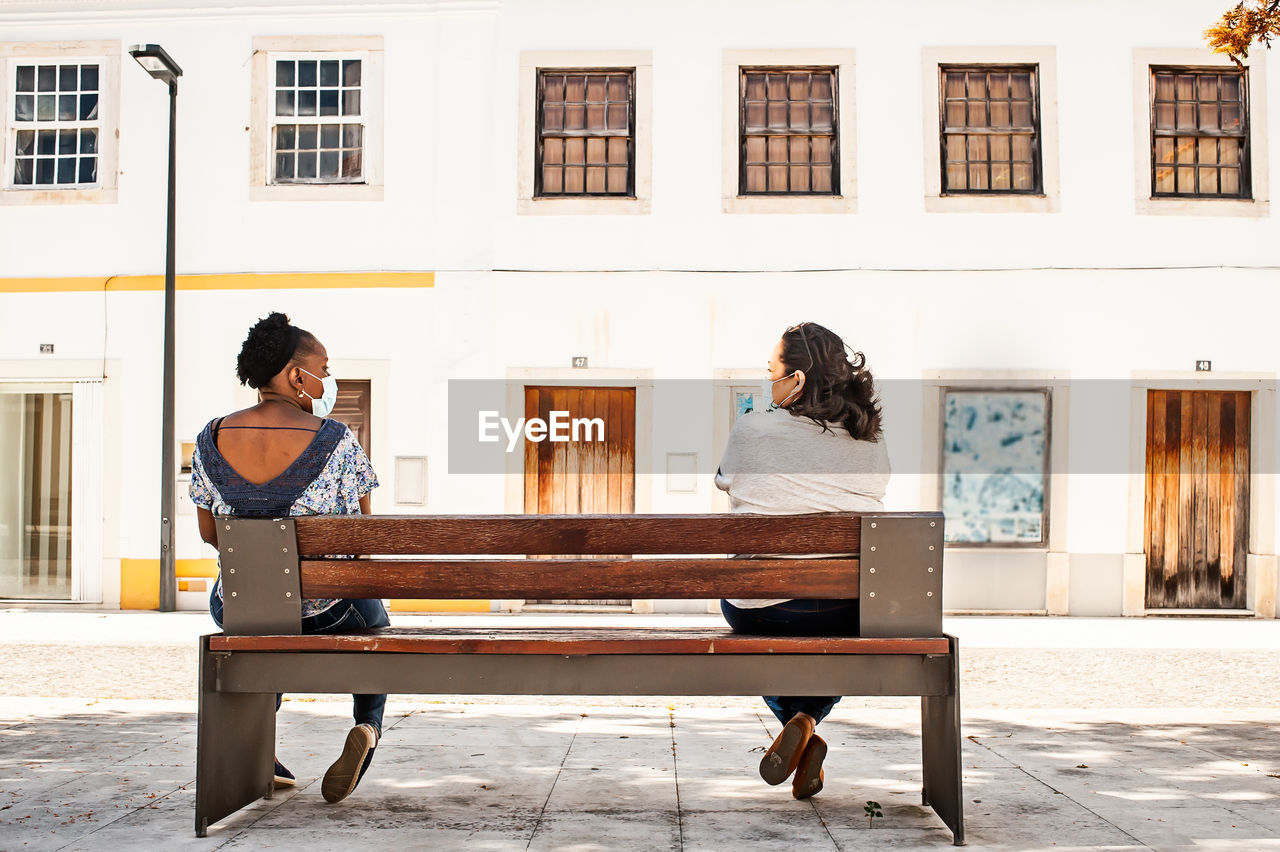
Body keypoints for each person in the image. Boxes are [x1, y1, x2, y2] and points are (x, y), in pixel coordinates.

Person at [189, 311, 387, 804]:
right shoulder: (336, 440)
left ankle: (260, 748)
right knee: (375, 618)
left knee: (267, 629)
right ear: (297, 376)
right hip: (326, 610)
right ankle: (367, 725)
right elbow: (363, 538)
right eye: (324, 368)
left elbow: (210, 532)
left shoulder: (210, 438)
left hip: (238, 606)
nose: (327, 379)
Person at [715, 321, 889, 800]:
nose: (769, 381)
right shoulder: (871, 442)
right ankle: (807, 720)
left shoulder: (752, 428)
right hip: (846, 605)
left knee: (758, 625)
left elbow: (723, 479)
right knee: (835, 638)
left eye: (773, 371)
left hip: (764, 603)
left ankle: (800, 723)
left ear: (798, 380)